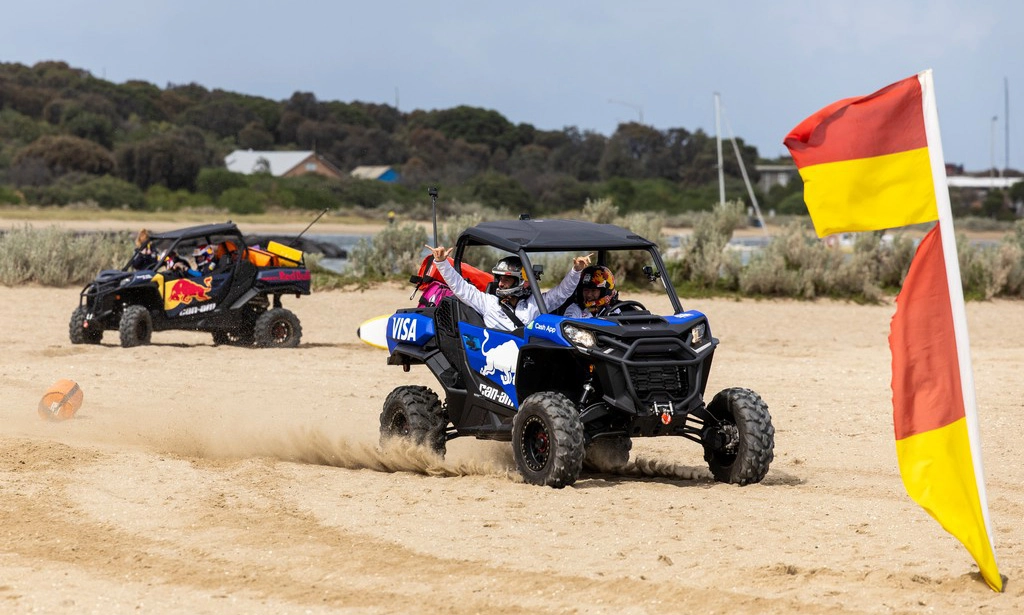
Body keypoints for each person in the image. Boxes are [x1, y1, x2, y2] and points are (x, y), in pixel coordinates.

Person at [426, 244, 592, 331]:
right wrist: (441, 263)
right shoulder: (488, 303)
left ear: (521, 281)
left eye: (507, 279)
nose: (500, 283)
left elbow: (561, 293)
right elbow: (461, 288)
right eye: (499, 278)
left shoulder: (535, 304)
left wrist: (576, 270)